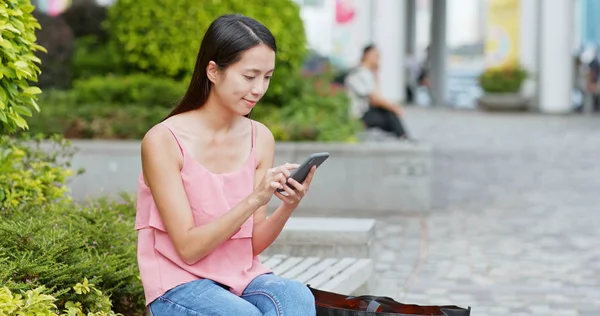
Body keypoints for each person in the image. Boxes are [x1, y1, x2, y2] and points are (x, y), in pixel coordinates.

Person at [135, 14, 317, 316]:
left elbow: (252, 246)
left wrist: (287, 205)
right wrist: (254, 200)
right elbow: (189, 249)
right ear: (213, 71)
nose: (259, 88)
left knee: (297, 298)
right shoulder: (164, 140)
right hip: (178, 284)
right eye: (249, 76)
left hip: (240, 278)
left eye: (267, 77)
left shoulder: (260, 138)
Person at [344, 44, 410, 140]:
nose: (378, 59)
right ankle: (403, 138)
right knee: (389, 114)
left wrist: (376, 75)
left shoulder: (367, 73)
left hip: (364, 112)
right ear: (367, 55)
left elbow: (376, 95)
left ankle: (403, 137)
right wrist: (395, 107)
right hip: (358, 115)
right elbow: (374, 99)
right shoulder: (359, 73)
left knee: (389, 115)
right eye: (376, 56)